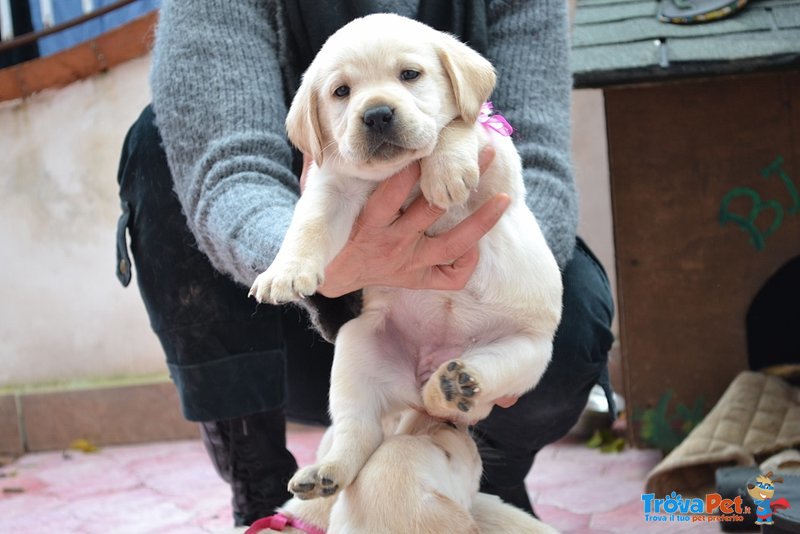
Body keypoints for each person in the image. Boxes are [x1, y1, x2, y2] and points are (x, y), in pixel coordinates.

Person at [116, 0, 615, 527]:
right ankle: (263, 486)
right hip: (317, 327)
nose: (376, 110)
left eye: (408, 75)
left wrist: (465, 252)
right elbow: (230, 167)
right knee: (154, 142)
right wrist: (328, 265)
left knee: (575, 321)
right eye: (342, 92)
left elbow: (535, 158)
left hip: (485, 306)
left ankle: (480, 469)